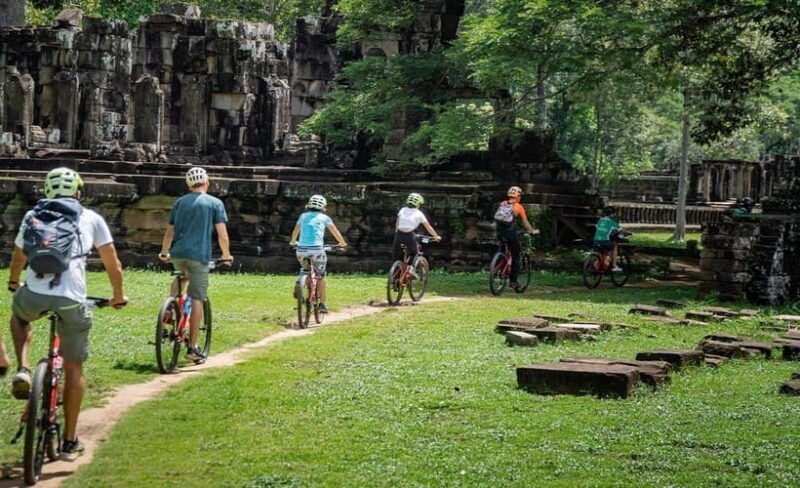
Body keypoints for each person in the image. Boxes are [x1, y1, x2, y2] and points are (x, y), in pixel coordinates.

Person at [7, 167, 128, 461]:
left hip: (34, 292)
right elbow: (113, 264)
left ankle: (23, 369)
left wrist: (14, 282)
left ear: (47, 191)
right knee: (74, 370)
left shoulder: (32, 215)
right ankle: (70, 442)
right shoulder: (91, 218)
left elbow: (19, 256)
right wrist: (117, 295)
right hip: (73, 299)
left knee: (19, 317)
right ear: (79, 191)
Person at [159, 167, 232, 362]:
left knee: (181, 278)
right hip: (199, 255)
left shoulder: (180, 202)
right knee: (197, 297)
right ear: (207, 183)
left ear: (189, 185)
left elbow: (169, 232)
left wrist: (165, 252)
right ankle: (192, 347)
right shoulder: (215, 203)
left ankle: (169, 308)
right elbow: (222, 235)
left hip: (178, 254)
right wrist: (226, 255)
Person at [289, 195, 348, 313]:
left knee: (306, 269)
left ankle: (300, 282)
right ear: (324, 208)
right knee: (320, 277)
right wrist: (342, 243)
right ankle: (322, 304)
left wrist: (293, 241)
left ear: (308, 205)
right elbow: (335, 232)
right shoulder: (324, 218)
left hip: (301, 250)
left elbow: (296, 231)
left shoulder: (303, 216)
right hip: (317, 250)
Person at [494, 186, 538, 290]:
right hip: (511, 234)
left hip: (500, 233)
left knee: (502, 250)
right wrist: (532, 231)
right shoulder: (518, 207)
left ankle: (496, 269)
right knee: (516, 256)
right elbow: (525, 222)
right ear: (518, 197)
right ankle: (513, 281)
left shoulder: (503, 203)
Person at [392, 193, 441, 278]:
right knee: (414, 253)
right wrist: (436, 236)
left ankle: (394, 279)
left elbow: (397, 223)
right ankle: (411, 269)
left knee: (397, 257)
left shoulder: (402, 210)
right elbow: (428, 227)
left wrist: (397, 233)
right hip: (409, 236)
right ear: (418, 204)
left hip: (399, 235)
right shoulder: (419, 213)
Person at [594, 205, 624, 271]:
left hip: (596, 240)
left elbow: (597, 227)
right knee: (614, 246)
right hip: (605, 241)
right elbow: (620, 230)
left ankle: (596, 265)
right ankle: (614, 265)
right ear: (612, 214)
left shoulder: (600, 220)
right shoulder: (612, 222)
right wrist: (628, 233)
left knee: (600, 251)